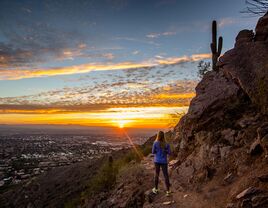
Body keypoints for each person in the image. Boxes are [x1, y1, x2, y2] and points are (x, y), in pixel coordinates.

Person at [152, 131, 171, 196]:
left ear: (158, 136)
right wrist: (165, 151)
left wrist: (157, 151)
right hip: (164, 161)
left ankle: (156, 189)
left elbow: (153, 152)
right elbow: (169, 153)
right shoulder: (167, 144)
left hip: (157, 161)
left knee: (156, 174)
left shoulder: (155, 143)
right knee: (166, 175)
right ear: (163, 136)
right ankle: (168, 191)